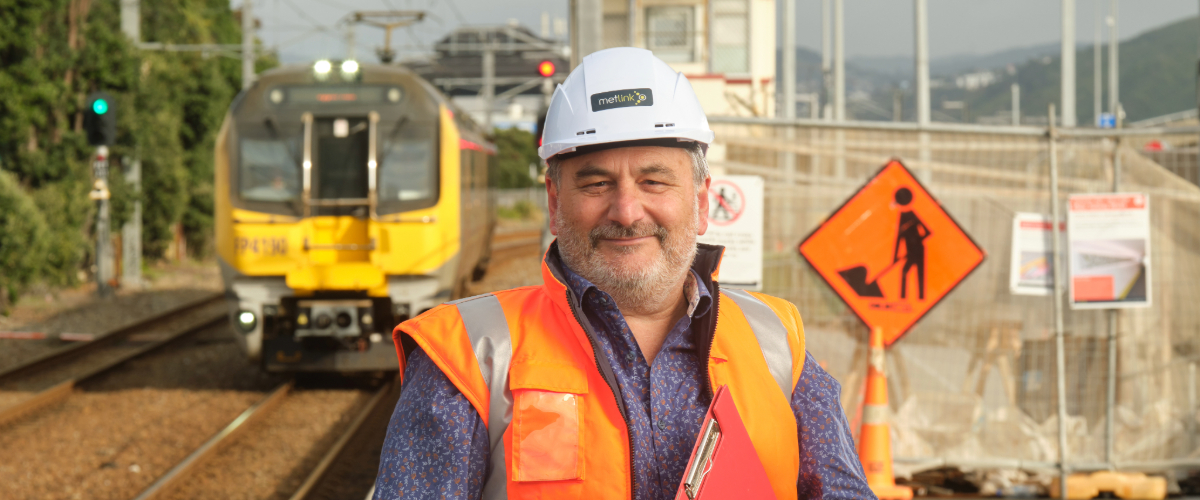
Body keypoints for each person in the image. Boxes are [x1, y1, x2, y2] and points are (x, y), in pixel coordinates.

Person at [373, 47, 874, 500]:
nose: (627, 211)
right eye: (596, 184)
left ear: (700, 204)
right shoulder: (468, 356)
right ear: (554, 202)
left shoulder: (778, 341)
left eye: (654, 181)